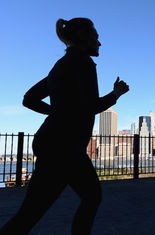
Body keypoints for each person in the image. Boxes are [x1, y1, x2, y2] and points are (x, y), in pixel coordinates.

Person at [0, 18, 129, 235]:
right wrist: (116, 94)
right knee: (39, 210)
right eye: (96, 37)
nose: (99, 43)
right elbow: (90, 106)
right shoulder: (83, 63)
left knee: (80, 199)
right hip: (65, 147)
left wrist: (57, 112)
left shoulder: (60, 66)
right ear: (82, 38)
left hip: (55, 143)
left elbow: (29, 99)